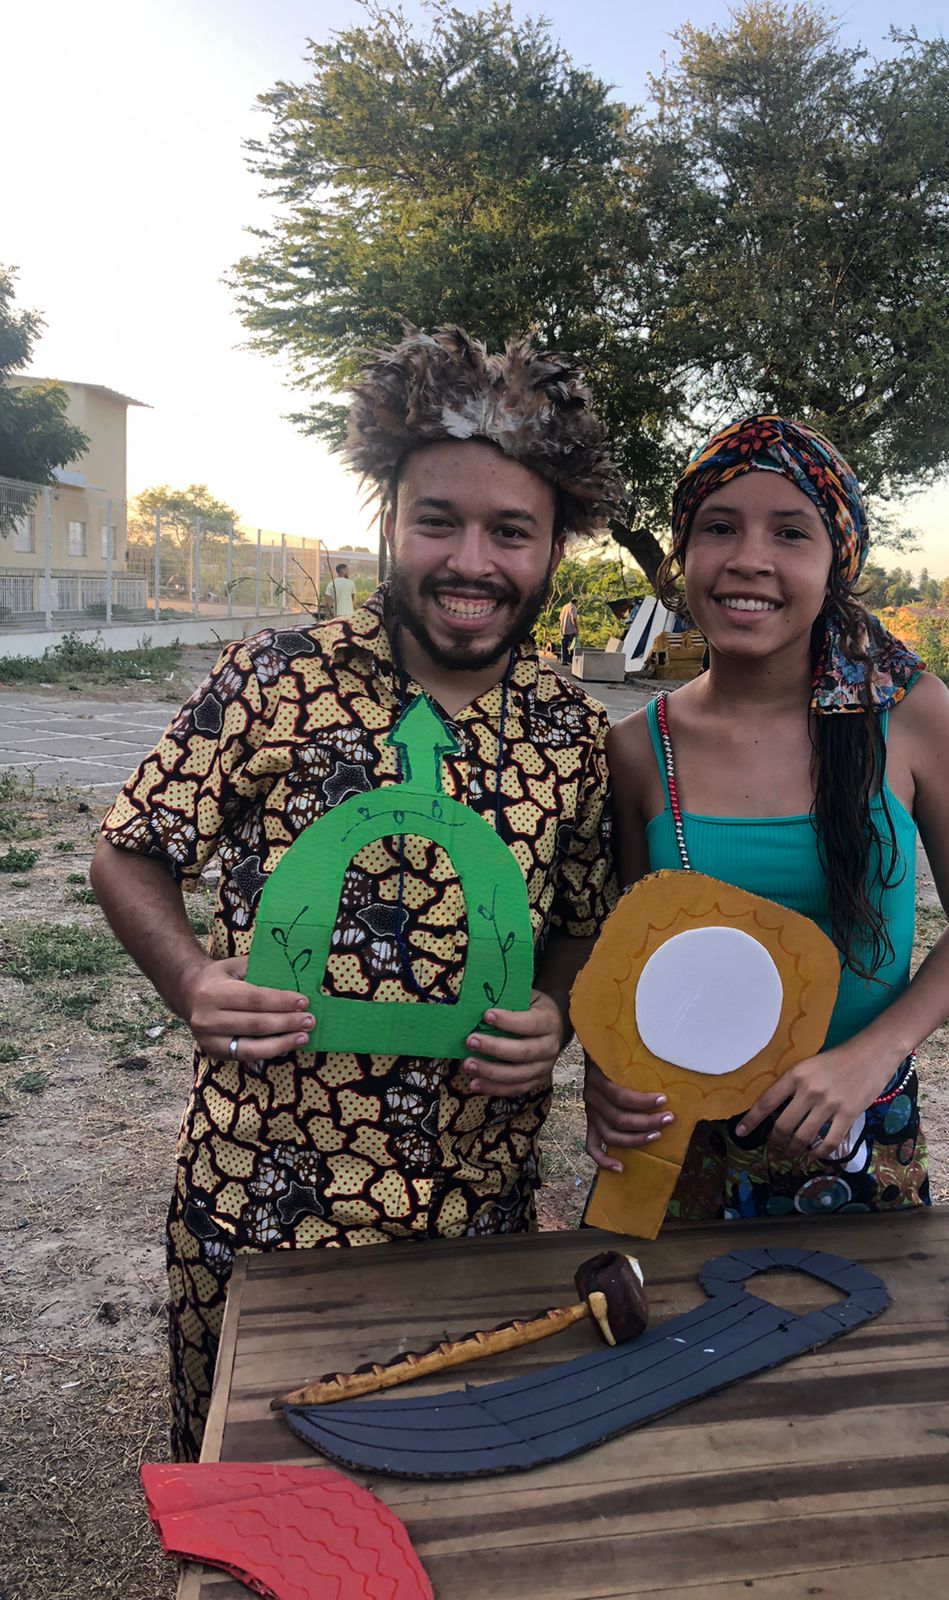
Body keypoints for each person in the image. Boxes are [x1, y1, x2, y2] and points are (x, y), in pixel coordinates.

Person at [90, 326, 624, 1460]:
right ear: (388, 518)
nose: (470, 560)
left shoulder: (574, 731)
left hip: (472, 1205)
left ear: (554, 548)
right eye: (438, 521)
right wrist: (189, 980)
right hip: (257, 1194)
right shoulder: (271, 677)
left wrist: (556, 1014)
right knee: (247, 1489)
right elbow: (130, 848)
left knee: (449, 1478)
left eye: (510, 531)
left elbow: (582, 922)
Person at [584, 415, 949, 1220]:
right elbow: (633, 955)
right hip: (676, 1131)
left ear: (834, 562)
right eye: (719, 528)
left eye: (789, 532)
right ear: (682, 556)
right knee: (657, 1308)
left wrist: (872, 1055)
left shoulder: (910, 715)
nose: (750, 559)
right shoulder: (639, 748)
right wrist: (606, 1076)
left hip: (852, 1124)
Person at [558, 595, 579, 664]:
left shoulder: (564, 607)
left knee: (564, 645)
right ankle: (571, 659)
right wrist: (576, 628)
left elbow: (560, 618)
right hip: (571, 630)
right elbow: (573, 619)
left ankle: (564, 660)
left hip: (563, 629)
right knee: (573, 645)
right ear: (576, 602)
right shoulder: (573, 608)